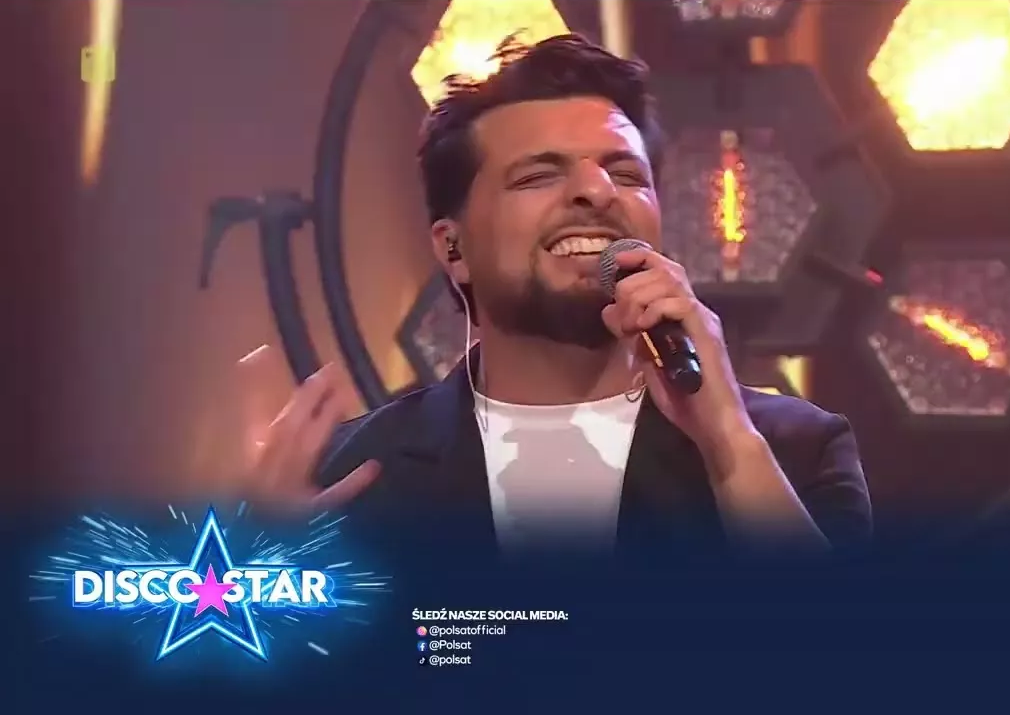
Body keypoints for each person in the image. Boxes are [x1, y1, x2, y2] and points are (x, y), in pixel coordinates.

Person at [239, 34, 871, 560]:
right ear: (454, 249)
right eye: (539, 175)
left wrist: (730, 447)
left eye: (625, 173)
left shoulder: (791, 450)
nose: (598, 192)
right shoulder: (349, 478)